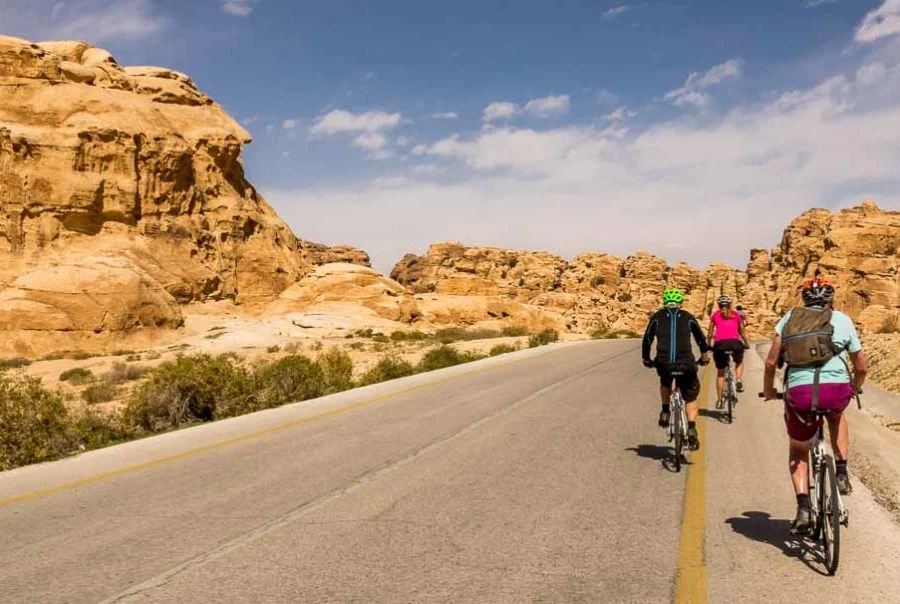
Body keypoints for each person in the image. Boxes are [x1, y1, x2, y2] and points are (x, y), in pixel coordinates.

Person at [763, 277, 868, 534]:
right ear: (830, 300)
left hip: (799, 392)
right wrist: (854, 387)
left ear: (804, 299)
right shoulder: (842, 320)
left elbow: (770, 362)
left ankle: (803, 508)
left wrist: (769, 391)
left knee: (798, 449)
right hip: (835, 390)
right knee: (837, 414)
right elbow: (862, 365)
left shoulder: (789, 318)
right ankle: (841, 472)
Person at [642, 288, 711, 450]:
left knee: (665, 381)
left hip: (664, 363)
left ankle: (665, 410)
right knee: (691, 397)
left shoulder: (657, 317)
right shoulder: (688, 317)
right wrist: (704, 357)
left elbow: (647, 340)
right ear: (680, 303)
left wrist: (646, 359)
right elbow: (701, 339)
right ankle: (692, 428)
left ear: (665, 303)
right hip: (686, 364)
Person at [708, 295, 750, 408]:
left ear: (719, 305)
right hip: (735, 343)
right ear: (730, 305)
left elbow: (710, 333)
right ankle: (738, 379)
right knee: (739, 361)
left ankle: (719, 400)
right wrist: (746, 344)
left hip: (720, 345)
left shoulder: (715, 315)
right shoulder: (736, 314)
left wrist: (708, 345)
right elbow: (742, 331)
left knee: (720, 373)